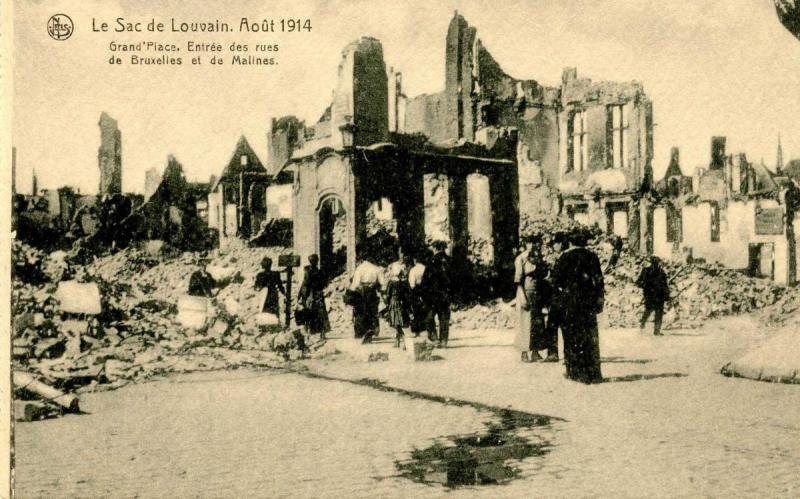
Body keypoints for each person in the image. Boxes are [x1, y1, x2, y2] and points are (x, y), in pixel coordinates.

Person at [551, 232, 605, 384]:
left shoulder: (564, 257)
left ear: (570, 242)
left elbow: (556, 281)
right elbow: (599, 280)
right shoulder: (592, 256)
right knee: (589, 336)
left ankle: (574, 372)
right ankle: (593, 373)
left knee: (571, 336)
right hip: (588, 302)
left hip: (570, 303)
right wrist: (599, 299)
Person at [513, 235, 552, 362]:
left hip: (537, 292)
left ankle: (535, 351)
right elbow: (518, 281)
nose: (532, 245)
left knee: (537, 322)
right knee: (525, 322)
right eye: (530, 242)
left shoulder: (538, 258)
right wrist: (522, 296)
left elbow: (543, 275)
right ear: (526, 244)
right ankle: (524, 353)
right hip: (525, 292)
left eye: (535, 243)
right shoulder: (521, 258)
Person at [422, 240, 452, 347]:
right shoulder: (450, 260)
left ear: (435, 248)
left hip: (433, 294)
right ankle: (444, 341)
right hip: (445, 294)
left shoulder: (432, 261)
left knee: (429, 317)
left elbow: (426, 279)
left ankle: (434, 338)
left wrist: (423, 293)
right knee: (444, 318)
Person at [349, 254, 385, 343]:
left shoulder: (360, 268)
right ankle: (371, 331)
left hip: (362, 292)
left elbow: (355, 283)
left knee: (361, 311)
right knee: (372, 312)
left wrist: (351, 293)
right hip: (372, 291)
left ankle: (360, 332)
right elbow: (382, 283)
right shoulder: (377, 268)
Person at [298, 254, 331, 340]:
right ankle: (322, 333)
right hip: (318, 294)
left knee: (308, 312)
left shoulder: (308, 271)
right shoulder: (320, 272)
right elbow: (325, 283)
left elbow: (305, 283)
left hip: (310, 294)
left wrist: (300, 294)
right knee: (321, 313)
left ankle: (308, 332)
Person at [636, 255, 670, 336]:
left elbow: (665, 285)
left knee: (658, 313)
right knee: (648, 310)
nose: (647, 263)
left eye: (649, 262)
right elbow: (638, 282)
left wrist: (666, 294)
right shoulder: (645, 271)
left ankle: (656, 331)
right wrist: (646, 285)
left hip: (659, 295)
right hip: (649, 294)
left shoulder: (661, 272)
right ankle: (642, 324)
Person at [385, 253, 412, 348]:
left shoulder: (391, 283)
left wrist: (387, 304)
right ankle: (400, 340)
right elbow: (408, 293)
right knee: (403, 322)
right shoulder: (404, 282)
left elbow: (387, 294)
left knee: (396, 322)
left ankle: (399, 340)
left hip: (394, 302)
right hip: (403, 304)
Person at [407, 250, 429, 337]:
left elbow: (411, 284)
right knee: (426, 310)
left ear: (415, 260)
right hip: (426, 290)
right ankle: (427, 329)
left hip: (416, 290)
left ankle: (417, 331)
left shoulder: (413, 270)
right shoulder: (426, 268)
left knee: (416, 311)